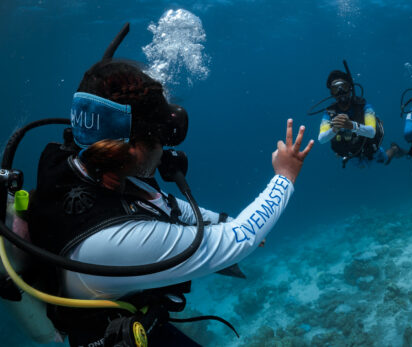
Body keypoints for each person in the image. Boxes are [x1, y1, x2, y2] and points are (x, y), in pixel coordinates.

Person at [16, 34, 314, 346]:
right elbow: (241, 239)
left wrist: (221, 219)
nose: (165, 150)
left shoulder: (82, 164)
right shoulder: (112, 243)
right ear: (130, 149)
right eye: (161, 139)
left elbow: (161, 204)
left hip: (129, 319)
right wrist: (285, 175)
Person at [318, 69, 405, 168]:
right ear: (332, 93)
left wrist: (351, 125)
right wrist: (335, 129)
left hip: (369, 147)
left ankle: (394, 149)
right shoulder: (329, 112)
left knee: (384, 159)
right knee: (360, 165)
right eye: (335, 89)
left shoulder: (364, 106)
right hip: (351, 152)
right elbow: (321, 139)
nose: (340, 92)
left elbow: (372, 132)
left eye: (344, 87)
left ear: (350, 88)